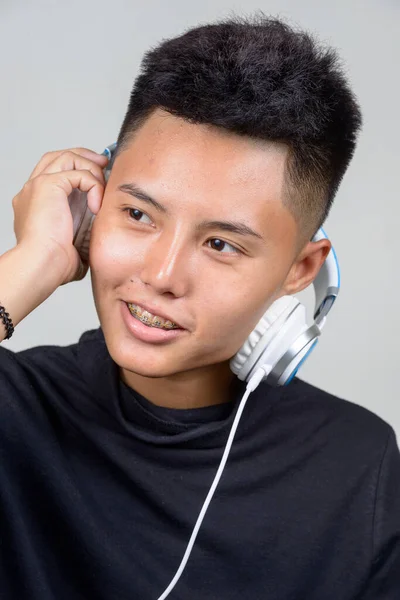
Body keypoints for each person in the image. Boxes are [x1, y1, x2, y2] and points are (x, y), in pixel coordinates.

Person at [0, 14, 399, 600]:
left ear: (300, 269)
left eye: (220, 244)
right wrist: (31, 261)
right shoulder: (15, 409)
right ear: (96, 201)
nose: (159, 277)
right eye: (137, 214)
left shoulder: (359, 469)